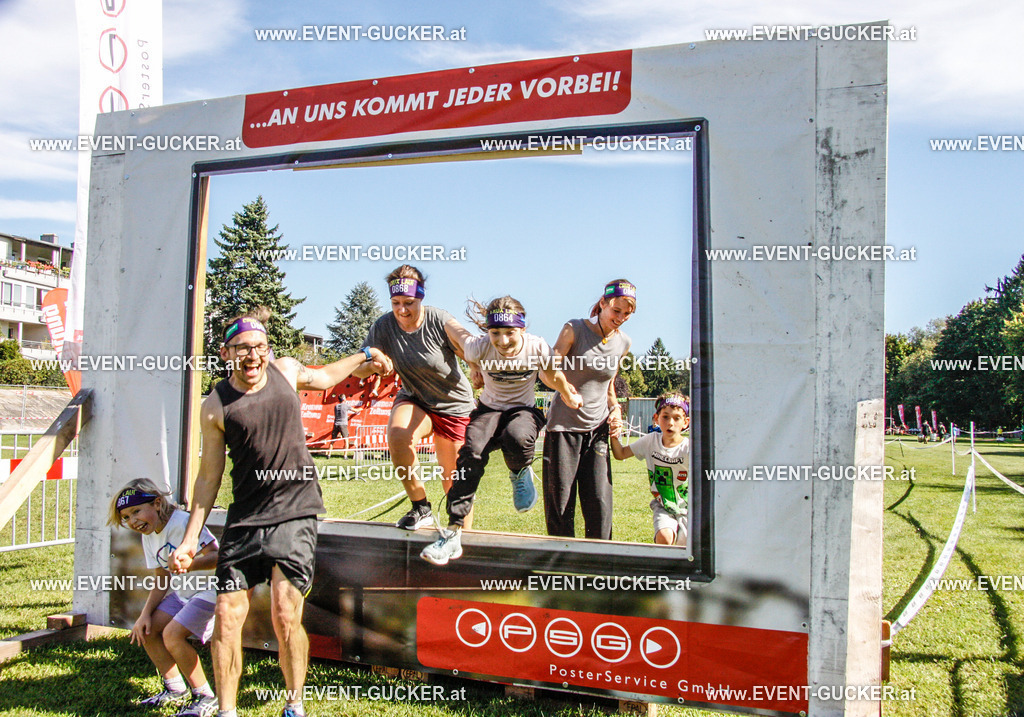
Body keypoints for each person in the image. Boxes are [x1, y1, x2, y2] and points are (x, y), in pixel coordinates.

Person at [169, 314, 392, 717]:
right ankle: (227, 710)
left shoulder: (286, 370)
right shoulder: (215, 405)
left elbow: (325, 377)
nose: (252, 356)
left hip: (295, 512)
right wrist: (189, 538)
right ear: (226, 354)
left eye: (259, 347)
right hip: (245, 519)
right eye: (242, 349)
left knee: (285, 611)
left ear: (267, 351)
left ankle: (294, 703)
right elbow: (209, 476)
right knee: (226, 615)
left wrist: (364, 353)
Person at [421, 296, 583, 565]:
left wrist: (566, 392)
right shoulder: (479, 346)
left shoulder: (536, 347)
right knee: (471, 451)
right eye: (495, 333)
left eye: (510, 333)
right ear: (487, 331)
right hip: (489, 410)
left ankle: (520, 471)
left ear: (522, 330)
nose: (503, 341)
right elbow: (457, 340)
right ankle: (453, 535)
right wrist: (473, 366)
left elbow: (552, 375)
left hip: (523, 410)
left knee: (517, 436)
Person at [354, 265, 476, 531]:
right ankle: (421, 508)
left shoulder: (438, 319)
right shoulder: (384, 326)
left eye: (409, 303)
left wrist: (477, 362)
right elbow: (358, 368)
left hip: (453, 406)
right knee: (398, 435)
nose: (402, 310)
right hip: (416, 398)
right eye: (396, 303)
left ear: (420, 298)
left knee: (453, 484)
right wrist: (373, 363)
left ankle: (464, 542)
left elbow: (467, 342)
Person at [108, 479, 220, 717]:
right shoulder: (148, 534)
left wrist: (191, 565)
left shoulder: (183, 523)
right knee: (146, 631)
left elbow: (219, 557)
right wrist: (144, 615)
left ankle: (205, 696)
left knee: (172, 635)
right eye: (126, 517)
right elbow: (162, 576)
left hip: (210, 591)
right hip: (182, 593)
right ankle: (175, 689)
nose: (132, 521)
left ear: (157, 503)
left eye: (136, 511)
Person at [542, 279, 635, 540]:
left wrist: (616, 410)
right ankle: (562, 562)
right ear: (602, 304)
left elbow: (608, 387)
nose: (621, 318)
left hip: (598, 430)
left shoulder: (623, 342)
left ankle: (600, 562)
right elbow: (547, 371)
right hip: (563, 427)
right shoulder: (574, 329)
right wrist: (564, 390)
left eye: (627, 314)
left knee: (599, 500)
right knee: (561, 502)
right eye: (616, 311)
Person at [610, 393, 690, 546]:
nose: (670, 423)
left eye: (676, 418)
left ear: (686, 422)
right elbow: (620, 454)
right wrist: (614, 434)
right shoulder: (650, 441)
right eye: (665, 417)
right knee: (664, 538)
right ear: (656, 418)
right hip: (663, 505)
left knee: (684, 545)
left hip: (688, 507)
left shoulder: (689, 447)